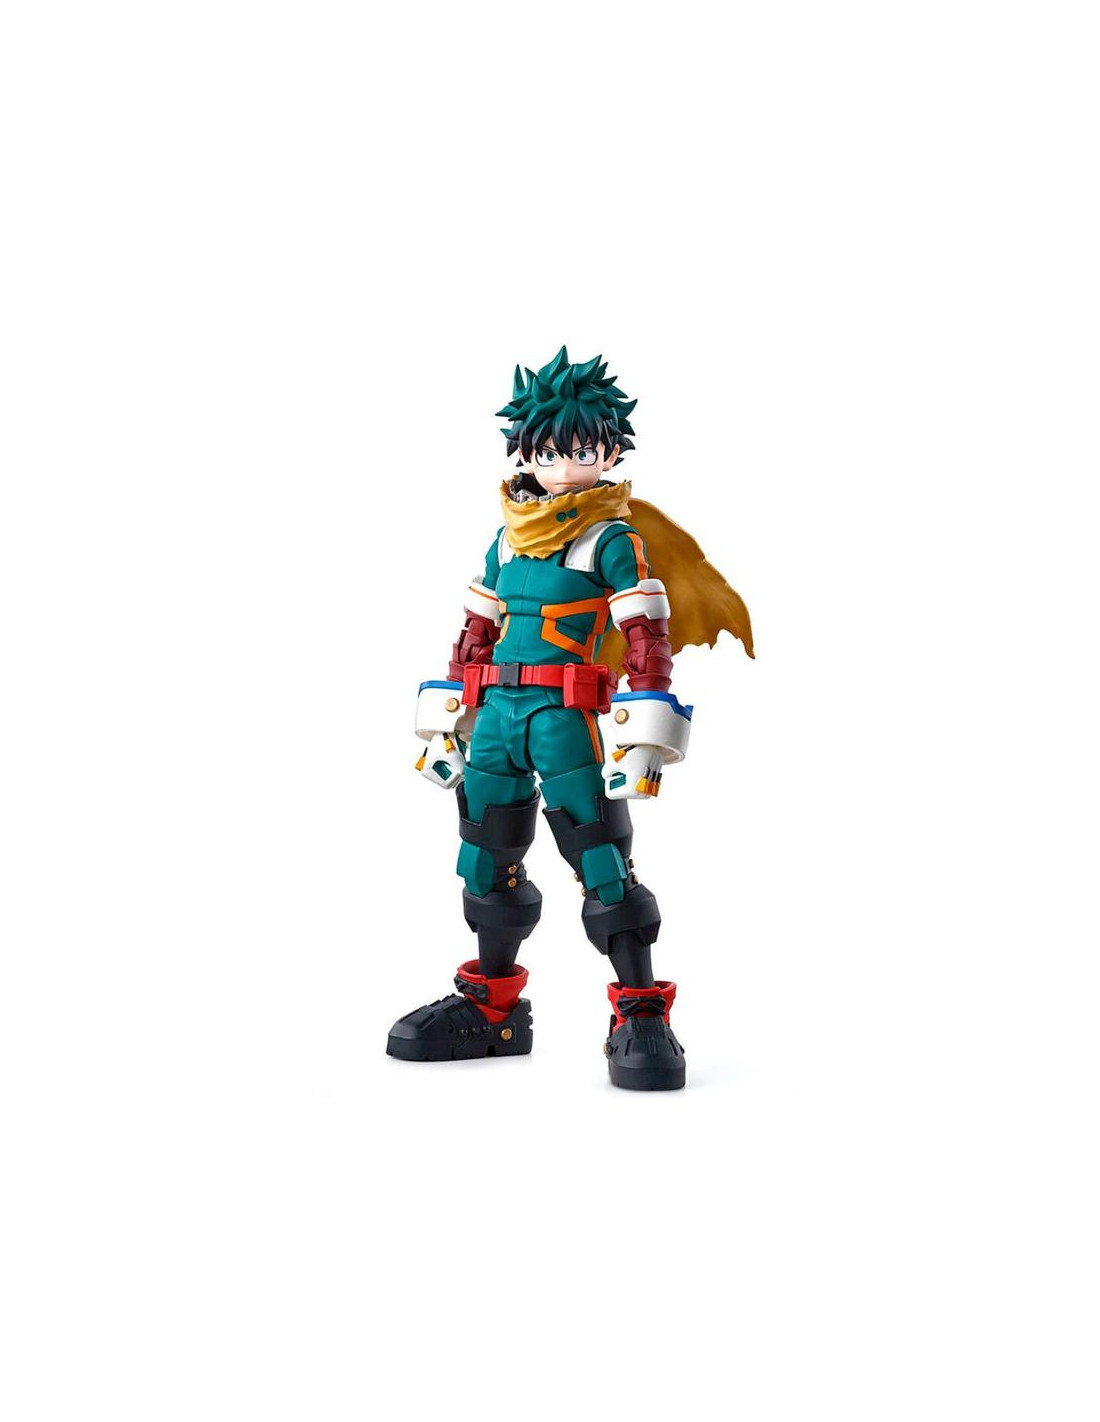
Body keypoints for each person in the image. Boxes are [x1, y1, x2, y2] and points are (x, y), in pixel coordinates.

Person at [387, 347, 752, 1089]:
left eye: (581, 452)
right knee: (485, 857)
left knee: (601, 858)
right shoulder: (506, 537)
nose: (562, 466)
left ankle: (640, 1011)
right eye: (548, 451)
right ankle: (491, 1009)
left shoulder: (610, 539)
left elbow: (646, 638)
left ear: (609, 454)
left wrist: (647, 728)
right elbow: (475, 634)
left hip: (563, 717)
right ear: (523, 451)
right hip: (496, 716)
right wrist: (451, 710)